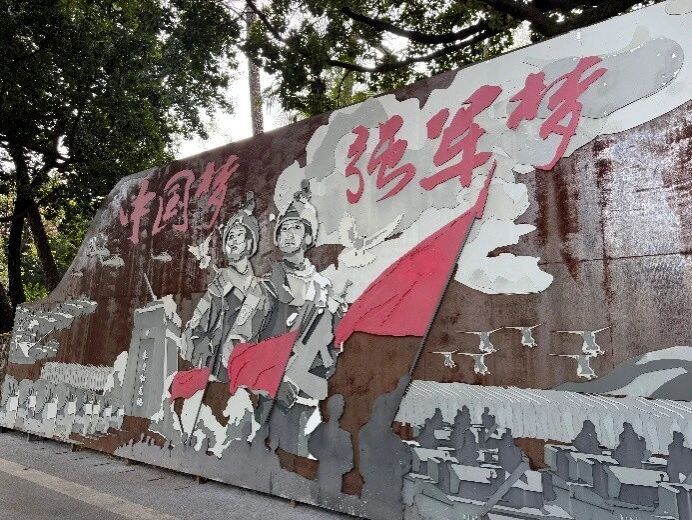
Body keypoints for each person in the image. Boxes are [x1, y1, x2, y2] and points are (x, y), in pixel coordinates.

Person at [182, 193, 271, 382]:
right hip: (212, 355)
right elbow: (204, 309)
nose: (233, 241)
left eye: (239, 235)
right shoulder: (221, 278)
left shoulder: (257, 288)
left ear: (250, 242)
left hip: (240, 360)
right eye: (230, 236)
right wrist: (193, 327)